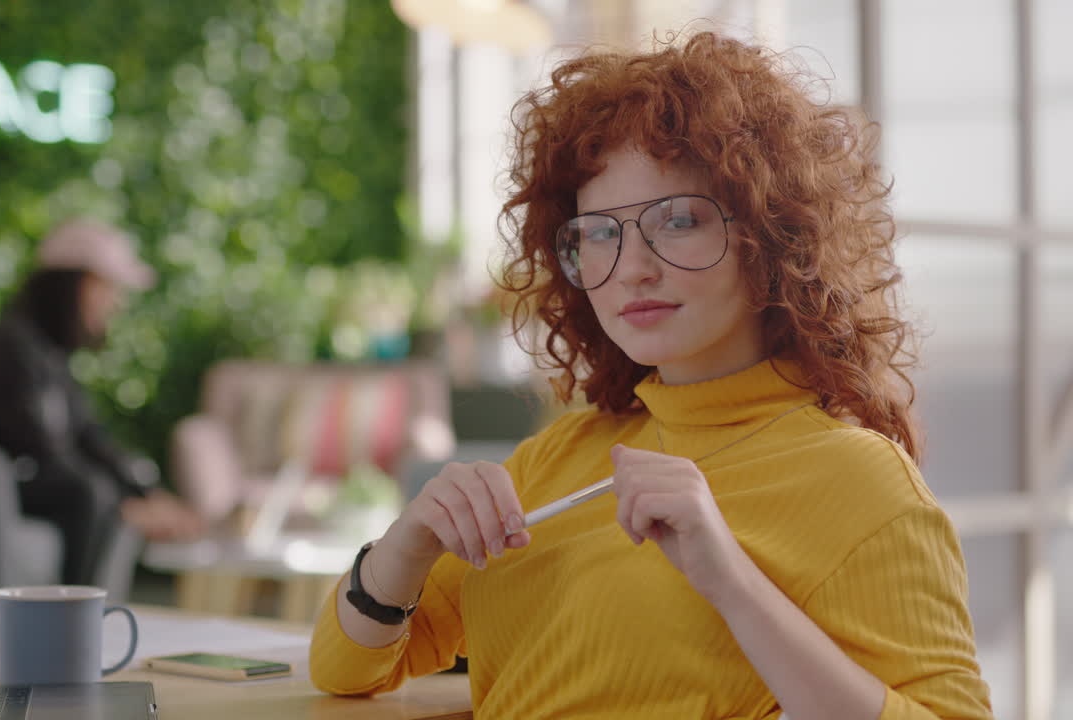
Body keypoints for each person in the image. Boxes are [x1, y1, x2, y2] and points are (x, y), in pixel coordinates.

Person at [309, 32, 993, 719]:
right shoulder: (558, 456)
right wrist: (406, 544)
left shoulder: (859, 482)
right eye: (599, 232)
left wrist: (726, 577)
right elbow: (345, 670)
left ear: (772, 239)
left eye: (678, 220)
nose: (632, 265)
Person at [0, 219, 203, 585]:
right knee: (87, 493)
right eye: (109, 289)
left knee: (92, 490)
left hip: (12, 481)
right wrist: (127, 506)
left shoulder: (47, 356)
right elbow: (43, 448)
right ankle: (74, 618)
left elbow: (89, 436)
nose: (116, 304)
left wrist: (148, 491)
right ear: (76, 286)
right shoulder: (9, 352)